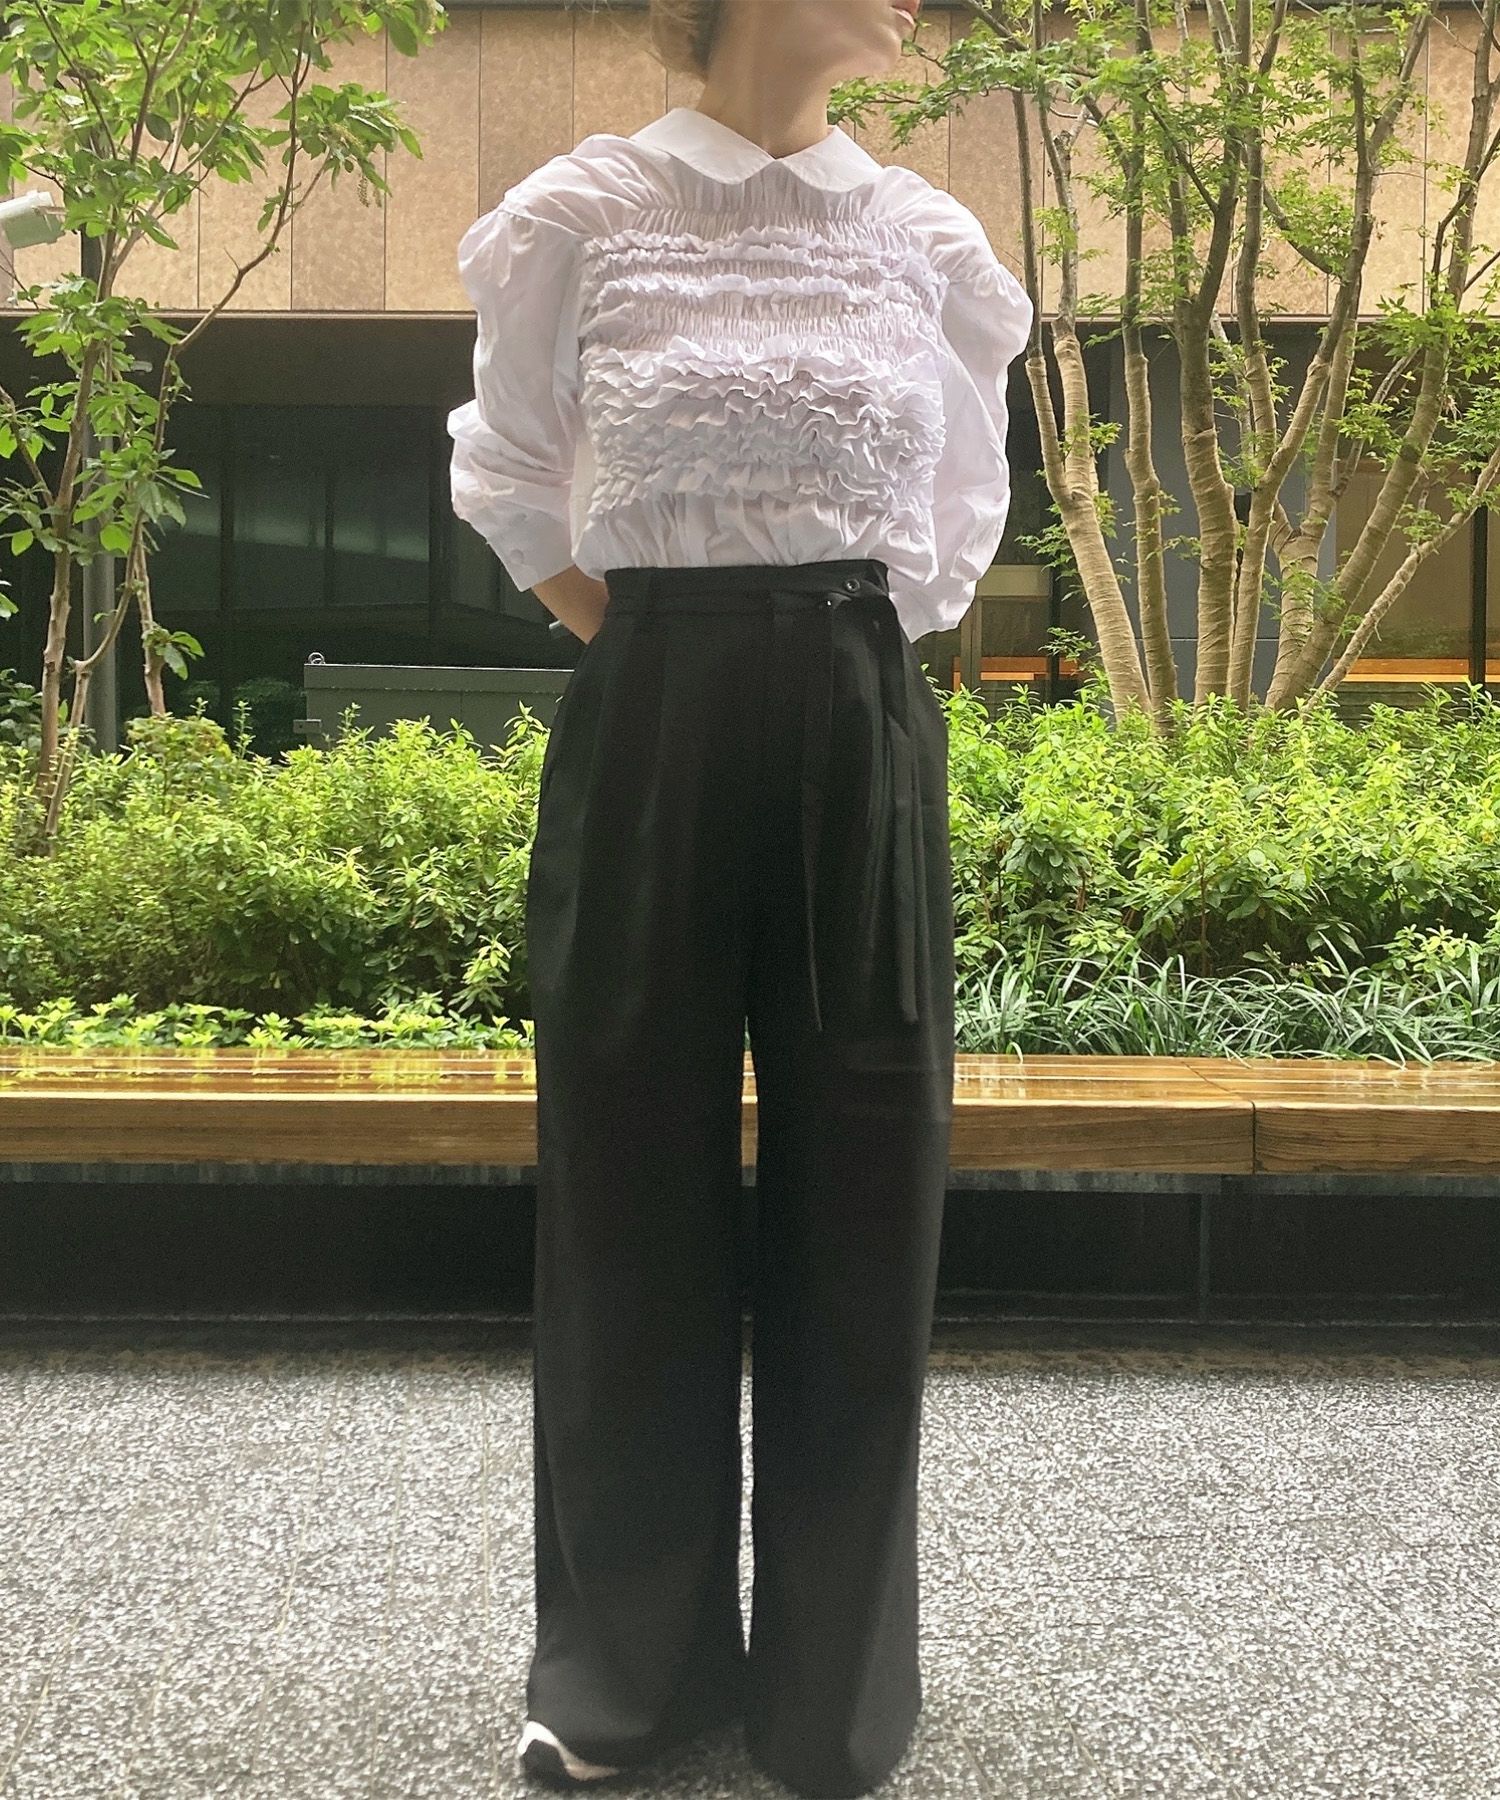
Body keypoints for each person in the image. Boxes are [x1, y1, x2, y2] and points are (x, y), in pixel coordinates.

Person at [446, 0, 1031, 1793]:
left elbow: (958, 514)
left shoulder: (922, 236)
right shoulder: (582, 214)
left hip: (859, 705)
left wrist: (821, 658)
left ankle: (833, 1698)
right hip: (653, 707)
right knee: (626, 1178)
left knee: (869, 1183)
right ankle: (626, 1675)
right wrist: (670, 646)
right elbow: (509, 470)